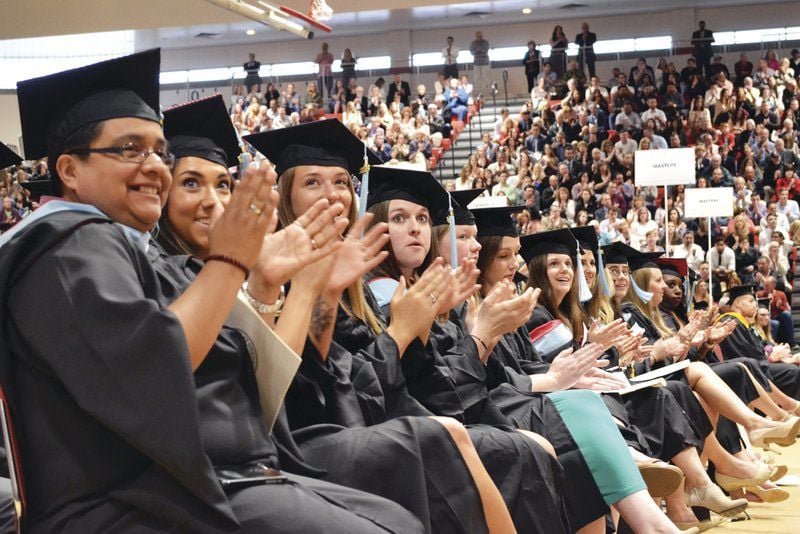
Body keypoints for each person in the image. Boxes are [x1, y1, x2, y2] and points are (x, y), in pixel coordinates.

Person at [2, 50, 422, 534]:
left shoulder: (126, 250)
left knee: (396, 514)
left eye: (159, 151)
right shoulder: (67, 247)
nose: (152, 165)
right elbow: (157, 372)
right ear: (70, 171)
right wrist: (231, 263)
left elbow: (236, 385)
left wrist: (265, 281)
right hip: (127, 505)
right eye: (129, 149)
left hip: (192, 483)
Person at [165, 113, 520, 534]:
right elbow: (297, 390)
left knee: (512, 441)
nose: (331, 195)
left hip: (309, 431)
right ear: (283, 197)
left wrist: (334, 296)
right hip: (279, 445)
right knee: (455, 441)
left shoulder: (359, 285)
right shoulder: (226, 270)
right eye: (312, 182)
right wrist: (408, 330)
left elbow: (338, 378)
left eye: (340, 182)